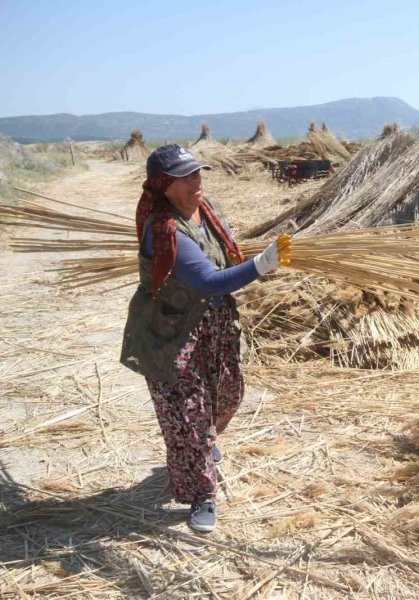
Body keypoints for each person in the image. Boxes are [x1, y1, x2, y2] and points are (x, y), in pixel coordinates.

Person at [120, 144, 291, 532]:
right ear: (163, 185)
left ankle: (203, 441)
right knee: (188, 421)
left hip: (212, 324)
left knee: (229, 394)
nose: (197, 181)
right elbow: (209, 281)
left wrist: (256, 261)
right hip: (170, 334)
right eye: (187, 176)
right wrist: (264, 264)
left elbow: (227, 257)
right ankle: (200, 493)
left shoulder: (206, 209)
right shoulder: (165, 231)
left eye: (199, 173)